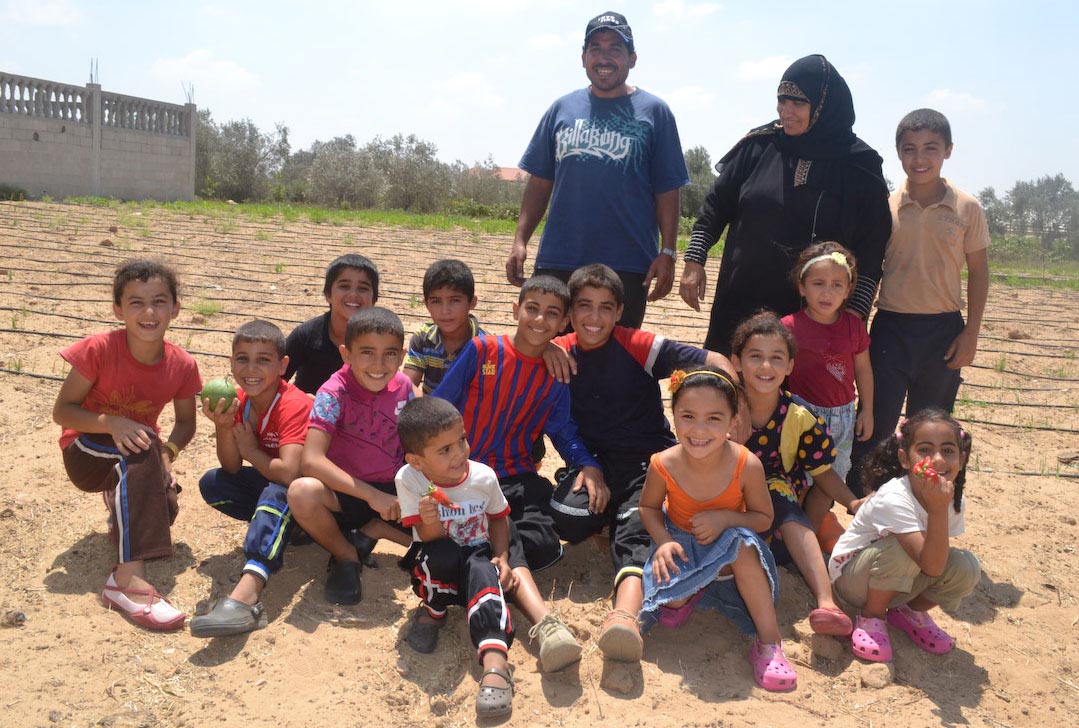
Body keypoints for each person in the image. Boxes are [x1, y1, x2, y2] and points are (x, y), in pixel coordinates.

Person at [545, 263, 737, 661]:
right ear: (569, 313)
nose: (593, 318)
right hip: (592, 463)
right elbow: (514, 351)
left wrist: (739, 403)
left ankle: (624, 615)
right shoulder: (559, 351)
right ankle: (610, 515)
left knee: (635, 532)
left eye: (605, 308)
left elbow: (714, 358)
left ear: (619, 313)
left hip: (642, 462)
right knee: (567, 516)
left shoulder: (636, 344)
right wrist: (546, 344)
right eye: (584, 306)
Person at [433, 276, 608, 672]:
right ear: (516, 310)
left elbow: (563, 429)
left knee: (546, 543)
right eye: (532, 309)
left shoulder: (555, 373)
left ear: (563, 322)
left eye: (551, 314)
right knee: (504, 523)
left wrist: (588, 464)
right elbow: (441, 405)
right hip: (469, 473)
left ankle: (478, 560)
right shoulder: (483, 350)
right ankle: (544, 622)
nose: (539, 320)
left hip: (517, 475)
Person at [680, 54, 891, 354]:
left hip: (814, 313)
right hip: (740, 298)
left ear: (823, 106)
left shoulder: (859, 167)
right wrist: (694, 260)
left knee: (797, 396)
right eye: (781, 101)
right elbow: (716, 204)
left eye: (798, 103)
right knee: (730, 384)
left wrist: (854, 314)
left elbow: (873, 246)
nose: (786, 112)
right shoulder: (760, 145)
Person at [506, 11, 689, 328]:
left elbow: (667, 190)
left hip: (627, 264)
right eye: (596, 48)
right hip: (559, 259)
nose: (604, 57)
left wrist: (668, 252)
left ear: (632, 59)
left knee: (614, 363)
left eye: (615, 49)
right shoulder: (561, 109)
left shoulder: (655, 113)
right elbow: (539, 182)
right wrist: (520, 239)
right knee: (548, 353)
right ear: (583, 58)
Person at [52, 260, 201, 631]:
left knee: (163, 509)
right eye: (135, 302)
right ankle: (126, 582)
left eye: (159, 301)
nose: (148, 312)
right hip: (84, 451)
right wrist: (110, 422)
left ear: (175, 308)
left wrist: (168, 454)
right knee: (143, 441)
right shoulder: (98, 349)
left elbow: (185, 423)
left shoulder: (182, 365)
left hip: (136, 451)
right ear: (118, 309)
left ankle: (122, 491)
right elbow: (62, 411)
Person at [848, 109, 990, 496]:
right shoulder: (886, 206)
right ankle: (866, 504)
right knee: (874, 425)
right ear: (898, 153)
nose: (919, 158)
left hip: (943, 331)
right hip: (890, 328)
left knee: (931, 429)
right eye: (909, 149)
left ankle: (930, 506)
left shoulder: (966, 208)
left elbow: (979, 271)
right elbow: (866, 267)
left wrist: (971, 333)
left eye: (930, 148)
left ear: (948, 151)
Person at [637, 367, 794, 692]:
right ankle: (692, 592)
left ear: (733, 421)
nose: (699, 429)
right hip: (682, 542)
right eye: (688, 416)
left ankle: (769, 643)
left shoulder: (745, 464)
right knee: (672, 605)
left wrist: (725, 518)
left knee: (744, 547)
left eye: (714, 418)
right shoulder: (662, 463)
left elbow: (763, 518)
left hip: (730, 550)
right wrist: (664, 542)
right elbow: (648, 508)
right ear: (674, 415)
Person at [730, 311, 862, 637]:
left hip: (772, 487)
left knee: (789, 512)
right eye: (755, 357)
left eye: (777, 358)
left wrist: (853, 502)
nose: (766, 366)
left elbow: (823, 472)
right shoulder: (721, 403)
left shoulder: (799, 416)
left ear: (790, 366)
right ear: (736, 361)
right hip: (723, 484)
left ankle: (826, 602)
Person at [395, 397, 516, 719]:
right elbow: (429, 538)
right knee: (438, 556)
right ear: (417, 461)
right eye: (445, 450)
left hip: (477, 550)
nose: (460, 453)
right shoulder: (409, 480)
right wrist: (429, 517)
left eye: (461, 440)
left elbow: (498, 518)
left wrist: (502, 557)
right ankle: (435, 610)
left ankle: (494, 662)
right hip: (438, 549)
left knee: (484, 568)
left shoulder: (483, 477)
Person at [189, 320, 312, 637]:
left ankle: (248, 593)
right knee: (213, 484)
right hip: (283, 489)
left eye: (263, 359)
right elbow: (230, 467)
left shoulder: (293, 404)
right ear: (231, 362)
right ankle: (288, 529)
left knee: (277, 491)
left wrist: (250, 449)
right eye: (242, 358)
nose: (251, 368)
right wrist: (223, 426)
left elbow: (289, 473)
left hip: (313, 497)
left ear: (283, 365)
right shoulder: (239, 401)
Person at [830, 409, 979, 663]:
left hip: (899, 577)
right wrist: (936, 510)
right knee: (905, 550)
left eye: (948, 450)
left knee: (965, 567)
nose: (938, 460)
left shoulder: (952, 500)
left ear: (961, 459)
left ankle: (909, 612)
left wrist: (940, 508)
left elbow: (936, 559)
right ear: (904, 458)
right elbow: (929, 565)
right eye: (924, 450)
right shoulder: (894, 497)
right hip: (853, 582)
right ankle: (871, 616)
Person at [287, 307, 413, 605]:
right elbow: (312, 460)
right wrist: (371, 496)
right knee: (302, 492)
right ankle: (346, 555)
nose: (379, 364)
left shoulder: (405, 387)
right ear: (347, 354)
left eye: (390, 354)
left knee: (443, 545)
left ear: (403, 354)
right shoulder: (333, 392)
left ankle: (376, 528)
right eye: (367, 353)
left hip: (393, 494)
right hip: (347, 491)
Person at [781, 242, 873, 482]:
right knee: (801, 476)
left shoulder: (854, 326)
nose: (826, 293)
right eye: (818, 283)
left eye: (836, 285)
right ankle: (799, 519)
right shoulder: (788, 327)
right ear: (802, 287)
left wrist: (867, 410)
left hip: (844, 417)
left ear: (847, 290)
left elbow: (863, 370)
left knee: (835, 476)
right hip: (802, 416)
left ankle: (821, 519)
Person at [284, 254, 379, 394]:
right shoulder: (305, 336)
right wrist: (300, 401)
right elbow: (274, 382)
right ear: (328, 294)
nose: (353, 294)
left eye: (363, 288)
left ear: (374, 299)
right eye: (344, 286)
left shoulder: (381, 339)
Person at [403, 258, 484, 395]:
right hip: (430, 412)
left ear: (472, 302)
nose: (445, 310)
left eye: (455, 300)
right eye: (436, 301)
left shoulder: (485, 345)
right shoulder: (423, 337)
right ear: (426, 304)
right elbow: (407, 387)